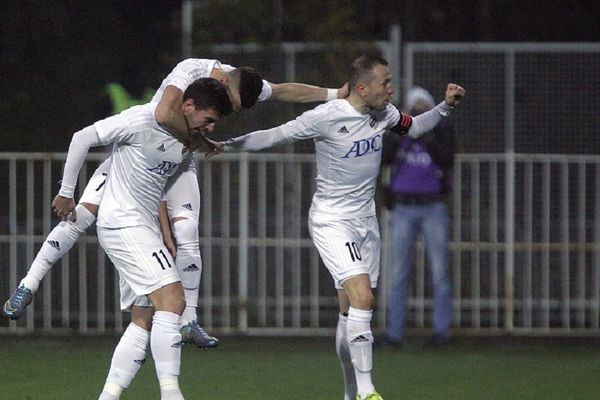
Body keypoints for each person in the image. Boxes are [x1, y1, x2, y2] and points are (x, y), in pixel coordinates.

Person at [3, 58, 348, 348]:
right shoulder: (189, 71)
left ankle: (190, 320)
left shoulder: (242, 83)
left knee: (188, 232)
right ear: (222, 80)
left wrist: (336, 93)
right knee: (80, 216)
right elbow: (164, 114)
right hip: (141, 157)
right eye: (228, 102)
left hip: (178, 163)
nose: (228, 111)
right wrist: (199, 141)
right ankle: (27, 286)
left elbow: (287, 90)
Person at [205, 55, 465, 400]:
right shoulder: (327, 116)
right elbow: (276, 136)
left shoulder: (384, 113)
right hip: (332, 220)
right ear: (362, 88)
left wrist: (445, 107)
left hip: (365, 222)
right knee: (363, 297)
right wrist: (226, 145)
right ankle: (368, 390)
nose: (391, 89)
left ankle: (349, 393)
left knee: (351, 312)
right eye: (385, 82)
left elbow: (414, 127)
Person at [51, 77, 231, 400]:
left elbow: (157, 186)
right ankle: (172, 393)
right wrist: (67, 193)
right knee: (173, 298)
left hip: (142, 227)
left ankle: (108, 396)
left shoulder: (185, 142)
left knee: (142, 319)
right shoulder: (140, 120)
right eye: (209, 121)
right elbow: (82, 138)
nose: (210, 129)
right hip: (123, 223)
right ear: (188, 106)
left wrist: (165, 229)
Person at [380, 86, 456, 349]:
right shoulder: (400, 132)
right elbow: (385, 157)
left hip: (433, 207)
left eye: (425, 106)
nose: (419, 110)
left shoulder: (440, 131)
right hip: (404, 207)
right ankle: (394, 334)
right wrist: (403, 130)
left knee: (439, 273)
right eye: (415, 106)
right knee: (398, 273)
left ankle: (441, 332)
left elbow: (448, 157)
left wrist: (428, 133)